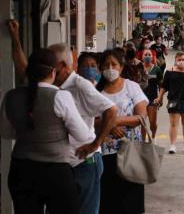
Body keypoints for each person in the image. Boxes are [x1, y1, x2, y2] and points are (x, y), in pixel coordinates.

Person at [7, 20, 117, 214]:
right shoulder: (45, 87)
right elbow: (23, 67)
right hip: (59, 166)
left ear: (63, 66)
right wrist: (15, 38)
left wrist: (95, 144)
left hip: (83, 163)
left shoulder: (80, 86)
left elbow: (111, 110)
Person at [0, 49, 94, 214]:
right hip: (56, 172)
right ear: (53, 72)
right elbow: (83, 136)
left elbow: (6, 133)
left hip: (21, 171)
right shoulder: (60, 97)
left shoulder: (11, 96)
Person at [96, 49, 148, 214]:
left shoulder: (131, 87)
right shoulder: (96, 91)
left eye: (114, 64)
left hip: (131, 153)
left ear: (121, 67)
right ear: (100, 68)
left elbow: (140, 117)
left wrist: (112, 121)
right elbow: (89, 120)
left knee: (131, 201)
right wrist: (109, 126)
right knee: (109, 201)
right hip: (105, 154)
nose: (110, 68)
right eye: (106, 65)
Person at [154, 52, 184, 154]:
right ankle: (172, 145)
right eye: (179, 60)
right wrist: (159, 97)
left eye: (183, 59)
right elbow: (164, 87)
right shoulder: (170, 72)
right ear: (175, 60)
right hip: (173, 100)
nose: (181, 62)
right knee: (173, 123)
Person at [142, 49, 163, 143]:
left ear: (152, 57)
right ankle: (142, 141)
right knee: (142, 122)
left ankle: (153, 137)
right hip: (140, 100)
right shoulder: (139, 68)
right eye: (145, 54)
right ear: (142, 56)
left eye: (149, 54)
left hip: (152, 99)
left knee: (152, 122)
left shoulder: (157, 69)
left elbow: (161, 85)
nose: (147, 56)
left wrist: (160, 98)